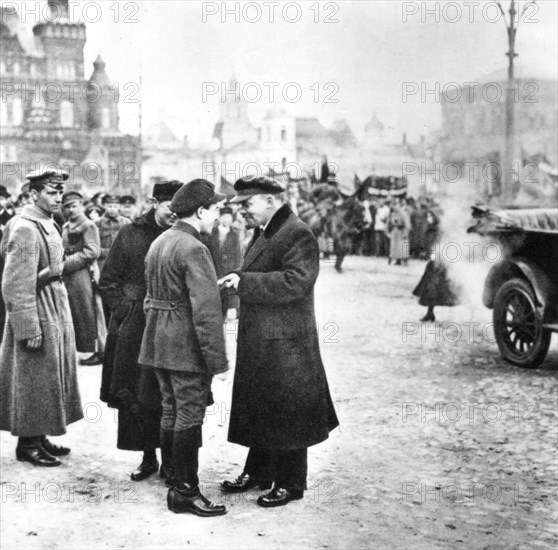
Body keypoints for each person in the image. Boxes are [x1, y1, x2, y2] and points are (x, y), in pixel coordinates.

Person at [219, 175, 339, 508]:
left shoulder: (297, 233)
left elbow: (296, 282)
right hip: (265, 338)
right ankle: (258, 472)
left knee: (288, 411)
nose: (242, 211)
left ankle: (290, 482)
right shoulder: (266, 231)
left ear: (270, 200)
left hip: (287, 341)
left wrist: (244, 282)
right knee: (262, 403)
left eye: (247, 204)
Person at [138, 179, 229, 517]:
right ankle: (185, 492)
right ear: (201, 211)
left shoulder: (161, 240)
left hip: (158, 341)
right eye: (216, 209)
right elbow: (206, 310)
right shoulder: (194, 248)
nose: (218, 216)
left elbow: (150, 299)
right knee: (189, 413)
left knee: (170, 410)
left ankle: (175, 481)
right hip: (185, 345)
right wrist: (216, 360)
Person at [99, 181, 183, 482]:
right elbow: (108, 281)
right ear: (154, 202)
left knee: (170, 391)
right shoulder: (130, 233)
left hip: (172, 324)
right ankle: (148, 456)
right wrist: (124, 311)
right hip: (136, 327)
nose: (175, 212)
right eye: (169, 206)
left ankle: (171, 460)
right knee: (139, 392)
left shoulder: (184, 234)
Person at [0, 169, 83, 466]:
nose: (58, 197)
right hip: (35, 308)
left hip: (53, 304)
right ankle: (27, 443)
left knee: (49, 375)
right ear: (33, 193)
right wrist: (26, 326)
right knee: (33, 377)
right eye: (51, 191)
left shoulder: (48, 223)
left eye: (60, 191)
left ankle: (40, 434)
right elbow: (14, 283)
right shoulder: (26, 228)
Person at [62, 191, 106, 366]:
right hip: (69, 277)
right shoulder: (66, 226)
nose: (71, 210)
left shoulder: (88, 225)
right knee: (75, 314)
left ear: (80, 206)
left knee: (91, 313)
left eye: (74, 206)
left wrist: (67, 263)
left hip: (84, 275)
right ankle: (83, 348)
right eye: (66, 207)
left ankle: (100, 350)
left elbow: (92, 252)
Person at [210, 206, 242, 319]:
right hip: (214, 272)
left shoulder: (234, 235)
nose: (226, 219)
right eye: (224, 216)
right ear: (219, 217)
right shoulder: (212, 233)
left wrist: (236, 272)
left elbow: (238, 256)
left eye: (228, 216)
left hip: (229, 273)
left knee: (231, 309)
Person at [96, 195, 130, 274]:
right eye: (109, 206)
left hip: (121, 262)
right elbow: (94, 245)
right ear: (104, 206)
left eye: (115, 206)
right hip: (102, 262)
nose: (112, 209)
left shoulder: (126, 223)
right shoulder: (98, 223)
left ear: (119, 207)